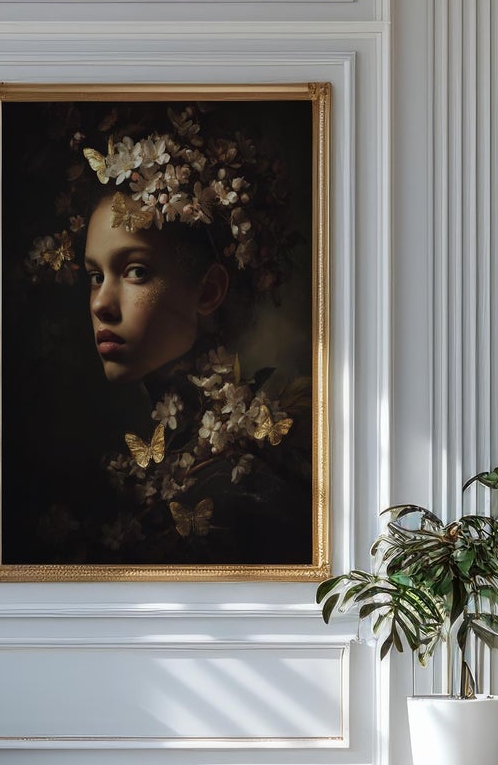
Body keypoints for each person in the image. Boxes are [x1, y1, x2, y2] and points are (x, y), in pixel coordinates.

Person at [21, 103, 313, 566]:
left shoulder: (252, 485)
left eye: (134, 271)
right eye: (95, 276)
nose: (100, 303)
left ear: (209, 289)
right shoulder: (157, 461)